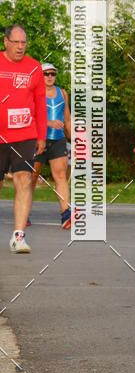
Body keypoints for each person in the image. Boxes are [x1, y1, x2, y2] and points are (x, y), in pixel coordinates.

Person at [0, 25, 46, 253]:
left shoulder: (34, 67)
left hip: (24, 134)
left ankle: (18, 236)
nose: (20, 47)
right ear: (6, 42)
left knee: (23, 179)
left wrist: (41, 135)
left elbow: (39, 102)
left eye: (24, 43)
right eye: (16, 42)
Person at [30, 62, 72, 229]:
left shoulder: (62, 93)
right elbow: (29, 117)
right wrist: (48, 123)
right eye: (45, 74)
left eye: (52, 74)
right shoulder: (33, 93)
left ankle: (66, 214)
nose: (49, 77)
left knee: (60, 176)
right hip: (36, 139)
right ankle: (24, 213)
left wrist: (75, 139)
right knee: (31, 177)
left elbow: (67, 119)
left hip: (58, 140)